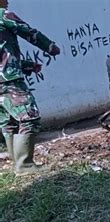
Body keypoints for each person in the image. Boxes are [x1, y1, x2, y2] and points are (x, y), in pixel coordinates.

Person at [0, 0, 61, 176]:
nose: (8, 1)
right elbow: (29, 31)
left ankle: (17, 164)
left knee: (8, 122)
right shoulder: (3, 16)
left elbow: (4, 55)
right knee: (29, 117)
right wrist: (50, 47)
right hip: (9, 81)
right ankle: (25, 166)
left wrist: (26, 65)